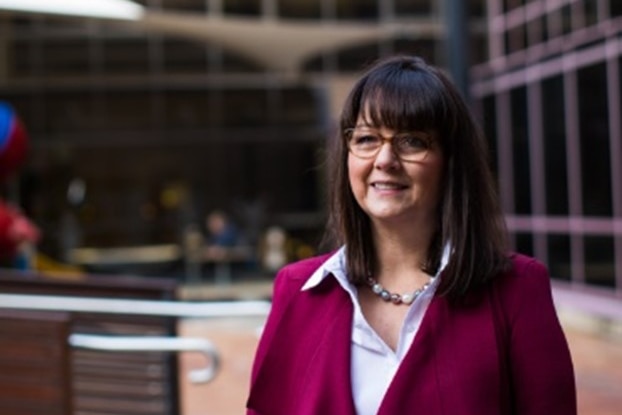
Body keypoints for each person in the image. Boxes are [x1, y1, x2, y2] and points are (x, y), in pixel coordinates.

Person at [246, 55, 576, 415]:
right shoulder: (296, 290)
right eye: (368, 138)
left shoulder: (516, 290)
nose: (385, 159)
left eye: (411, 141)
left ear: (451, 161)